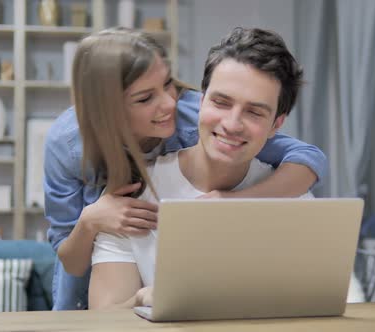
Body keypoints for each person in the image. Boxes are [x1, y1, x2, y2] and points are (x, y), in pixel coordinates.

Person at [44, 27, 328, 310]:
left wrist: (235, 204)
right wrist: (90, 221)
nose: (169, 103)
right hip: (90, 283)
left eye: (169, 84)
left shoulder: (192, 112)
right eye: (145, 98)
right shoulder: (69, 144)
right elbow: (71, 261)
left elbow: (307, 157)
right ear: (108, 110)